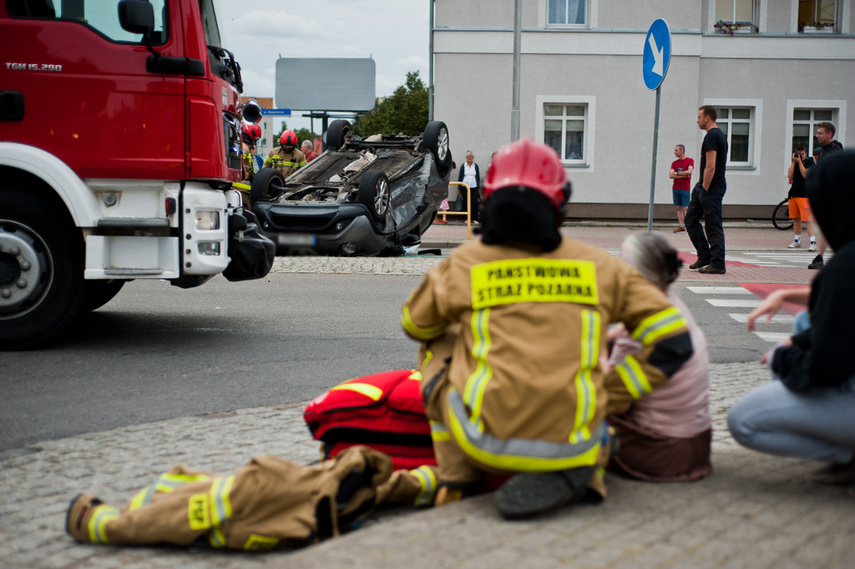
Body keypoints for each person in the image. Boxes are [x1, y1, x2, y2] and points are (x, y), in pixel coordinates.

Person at [400, 138, 693, 519]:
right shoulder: (598, 266)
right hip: (576, 441)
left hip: (482, 441)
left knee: (437, 340)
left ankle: (457, 477)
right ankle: (587, 471)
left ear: (488, 200)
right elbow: (673, 340)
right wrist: (609, 393)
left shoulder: (465, 264)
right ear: (561, 202)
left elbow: (414, 323)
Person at [728, 150, 855, 494]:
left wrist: (783, 357)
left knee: (743, 421)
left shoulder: (844, 268)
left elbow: (827, 363)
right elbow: (841, 310)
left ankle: (848, 454)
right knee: (802, 329)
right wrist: (787, 300)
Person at [606, 233, 712, 482]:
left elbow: (617, 403)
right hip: (696, 446)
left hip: (658, 452)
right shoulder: (670, 307)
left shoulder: (635, 333)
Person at [685, 105, 728, 275]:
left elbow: (710, 166)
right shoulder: (718, 135)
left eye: (699, 117)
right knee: (690, 219)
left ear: (707, 118)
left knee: (713, 225)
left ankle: (717, 263)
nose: (697, 120)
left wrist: (704, 189)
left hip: (710, 187)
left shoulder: (712, 136)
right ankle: (704, 255)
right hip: (704, 186)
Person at [807, 122, 844, 270]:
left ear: (830, 134)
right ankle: (821, 257)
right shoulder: (824, 150)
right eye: (817, 133)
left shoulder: (835, 149)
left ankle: (824, 257)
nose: (817, 135)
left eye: (820, 133)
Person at [786, 146, 816, 250]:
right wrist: (794, 162)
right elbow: (790, 175)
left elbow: (805, 175)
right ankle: (797, 240)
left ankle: (813, 242)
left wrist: (799, 163)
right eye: (798, 154)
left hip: (804, 194)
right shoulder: (795, 162)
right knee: (796, 219)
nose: (801, 156)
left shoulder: (809, 163)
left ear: (806, 153)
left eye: (802, 154)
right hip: (794, 193)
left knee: (807, 219)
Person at [669, 144, 694, 233]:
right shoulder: (674, 163)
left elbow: (689, 171)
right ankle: (681, 226)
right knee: (678, 207)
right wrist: (683, 175)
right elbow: (671, 175)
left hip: (685, 188)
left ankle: (689, 226)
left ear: (681, 151)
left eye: (676, 150)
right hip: (676, 188)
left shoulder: (689, 161)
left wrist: (677, 174)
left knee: (686, 208)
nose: (674, 152)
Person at [456, 151, 481, 222]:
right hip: (465, 187)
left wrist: (478, 187)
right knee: (466, 202)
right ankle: (466, 218)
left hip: (474, 187)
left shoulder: (475, 166)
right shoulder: (463, 166)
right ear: (466, 158)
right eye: (468, 156)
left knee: (474, 203)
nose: (469, 158)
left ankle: (474, 218)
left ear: (473, 157)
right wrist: (459, 188)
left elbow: (477, 177)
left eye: (471, 156)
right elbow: (460, 177)